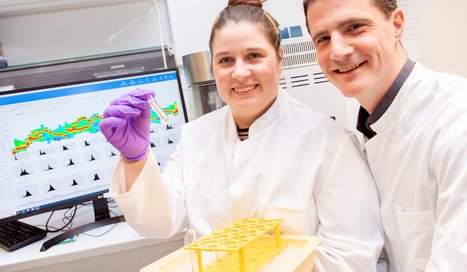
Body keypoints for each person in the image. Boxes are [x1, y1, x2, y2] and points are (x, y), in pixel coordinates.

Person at [100, 0, 384, 270]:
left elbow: (351, 258)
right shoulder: (196, 136)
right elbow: (160, 222)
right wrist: (134, 158)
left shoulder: (330, 143)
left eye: (254, 56)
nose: (240, 72)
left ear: (279, 58)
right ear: (213, 67)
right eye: (225, 60)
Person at [303, 0, 467, 271]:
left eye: (354, 27)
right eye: (323, 38)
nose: (337, 51)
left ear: (396, 25)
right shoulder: (368, 131)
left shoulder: (463, 120)